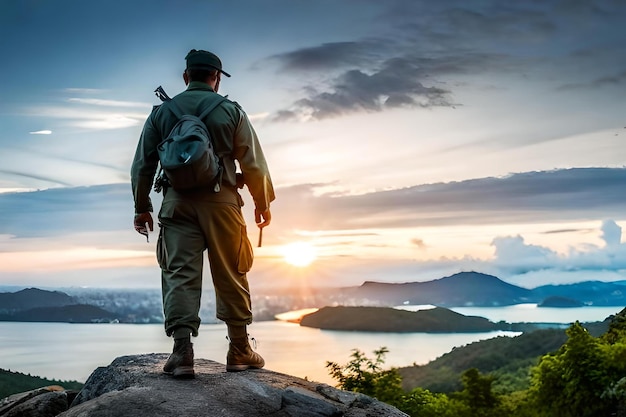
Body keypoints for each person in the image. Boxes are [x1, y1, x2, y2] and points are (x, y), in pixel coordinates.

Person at [130, 49, 275, 378]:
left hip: (176, 205)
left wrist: (142, 208)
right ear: (217, 78)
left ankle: (182, 353)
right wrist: (262, 204)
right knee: (232, 272)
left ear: (186, 76)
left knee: (179, 273)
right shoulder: (230, 112)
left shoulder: (162, 113)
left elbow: (142, 166)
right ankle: (239, 350)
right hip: (223, 203)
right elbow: (254, 164)